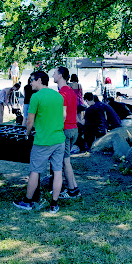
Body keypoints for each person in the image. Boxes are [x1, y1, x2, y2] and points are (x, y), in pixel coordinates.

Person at [13, 71, 66, 214]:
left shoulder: (35, 97)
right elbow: (62, 116)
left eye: (32, 80)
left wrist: (27, 133)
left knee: (35, 171)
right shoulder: (58, 95)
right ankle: (54, 204)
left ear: (40, 80)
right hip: (59, 139)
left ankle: (28, 201)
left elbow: (29, 121)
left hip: (43, 141)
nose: (30, 83)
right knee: (57, 172)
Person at [53, 66, 81, 199]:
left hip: (66, 130)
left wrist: (55, 128)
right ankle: (74, 187)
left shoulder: (62, 93)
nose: (52, 75)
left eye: (54, 73)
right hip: (74, 129)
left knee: (65, 162)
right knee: (66, 160)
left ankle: (71, 191)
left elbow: (63, 115)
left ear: (60, 75)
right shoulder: (70, 91)